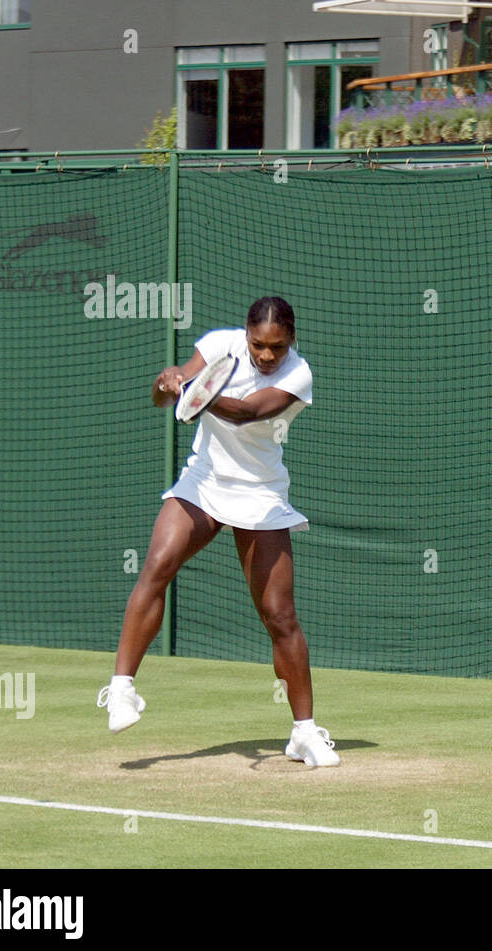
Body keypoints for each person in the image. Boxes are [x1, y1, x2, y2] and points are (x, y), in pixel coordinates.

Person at [97, 296, 339, 766]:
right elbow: (165, 396)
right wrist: (168, 382)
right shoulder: (219, 346)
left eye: (278, 346)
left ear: (292, 340)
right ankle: (122, 688)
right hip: (203, 481)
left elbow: (247, 412)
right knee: (157, 566)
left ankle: (304, 733)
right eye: (258, 345)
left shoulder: (298, 375)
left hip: (261, 493)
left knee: (280, 616)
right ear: (245, 334)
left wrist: (193, 393)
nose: (267, 356)